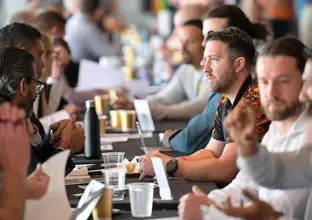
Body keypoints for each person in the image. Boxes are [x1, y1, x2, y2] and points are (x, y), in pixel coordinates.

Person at [179, 37, 311, 220]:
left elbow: (280, 211)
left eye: (283, 81)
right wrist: (210, 203)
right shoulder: (278, 125)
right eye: (264, 82)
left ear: (305, 84)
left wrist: (209, 213)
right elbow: (249, 183)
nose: (271, 93)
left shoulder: (307, 136)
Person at [139, 27, 270, 183]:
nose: (205, 68)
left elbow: (225, 169)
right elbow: (212, 152)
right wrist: (169, 161)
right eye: (205, 59)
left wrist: (168, 166)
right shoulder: (226, 98)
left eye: (214, 59)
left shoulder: (252, 103)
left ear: (238, 64)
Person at [214, 51, 312, 220]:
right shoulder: (276, 128)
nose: (303, 95)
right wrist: (248, 145)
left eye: (309, 84)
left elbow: (282, 208)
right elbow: (271, 172)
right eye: (264, 81)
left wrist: (271, 217)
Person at [163, 4, 270, 154]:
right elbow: (211, 151)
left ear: (235, 36)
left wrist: (171, 160)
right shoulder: (226, 92)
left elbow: (194, 139)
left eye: (212, 35)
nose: (204, 43)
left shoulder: (249, 84)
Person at [0, 23, 84, 175]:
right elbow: (38, 181)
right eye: (36, 84)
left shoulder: (15, 102)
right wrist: (66, 145)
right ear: (24, 85)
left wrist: (53, 140)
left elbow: (35, 158)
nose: (44, 63)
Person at [146, 19, 211, 120]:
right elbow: (164, 97)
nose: (183, 47)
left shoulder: (214, 71)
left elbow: (200, 107)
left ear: (205, 44)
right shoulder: (185, 69)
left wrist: (155, 111)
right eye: (181, 41)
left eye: (190, 42)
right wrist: (140, 105)